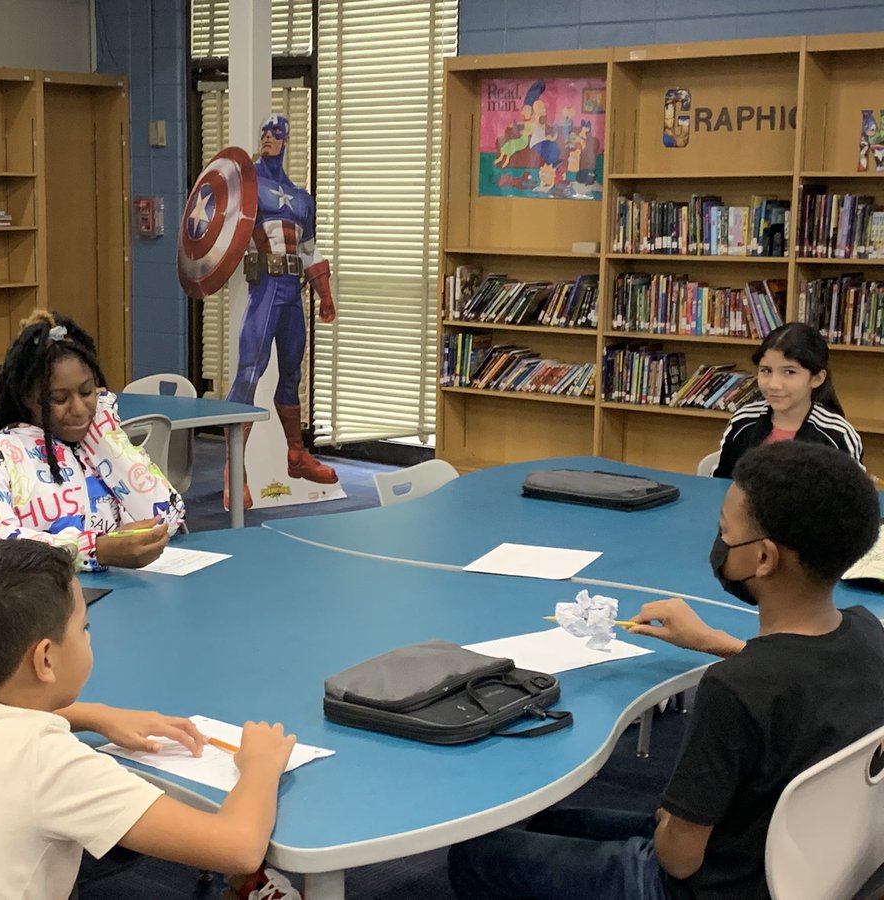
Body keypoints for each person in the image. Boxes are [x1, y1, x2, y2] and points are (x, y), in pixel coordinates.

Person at [447, 441, 884, 900]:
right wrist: (715, 642)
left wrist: (672, 821)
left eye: (724, 531)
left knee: (475, 856)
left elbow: (679, 859)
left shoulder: (732, 691)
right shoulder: (868, 635)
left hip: (701, 886)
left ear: (763, 558)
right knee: (549, 823)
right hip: (792, 867)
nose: (718, 543)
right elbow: (799, 679)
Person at [0, 539, 298, 899]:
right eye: (83, 627)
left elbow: (0, 718)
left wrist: (96, 715)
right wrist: (259, 765)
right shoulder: (50, 762)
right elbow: (237, 847)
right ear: (45, 659)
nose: (87, 634)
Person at [0, 310, 185, 572]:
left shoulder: (97, 441)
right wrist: (95, 550)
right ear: (26, 397)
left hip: (123, 597)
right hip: (39, 605)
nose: (79, 409)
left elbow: (169, 516)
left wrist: (104, 433)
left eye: (87, 391)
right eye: (59, 399)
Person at [225, 113, 338, 510]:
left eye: (277, 133)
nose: (269, 138)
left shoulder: (301, 196)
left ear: (288, 139)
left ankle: (296, 455)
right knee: (248, 374)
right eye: (265, 133)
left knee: (292, 376)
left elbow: (308, 249)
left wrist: (325, 293)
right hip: (266, 288)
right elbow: (222, 231)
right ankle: (233, 469)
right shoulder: (249, 187)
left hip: (292, 291)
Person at [713, 322, 861, 478]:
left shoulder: (837, 434)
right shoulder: (742, 421)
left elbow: (852, 498)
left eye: (789, 372)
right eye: (766, 371)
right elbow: (720, 485)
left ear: (817, 378)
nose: (774, 384)